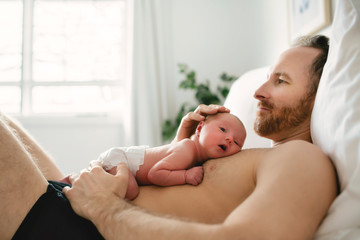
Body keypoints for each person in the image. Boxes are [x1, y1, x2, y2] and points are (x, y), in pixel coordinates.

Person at [0, 35, 337, 240]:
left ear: (320, 95)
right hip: (83, 205)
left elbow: (247, 237)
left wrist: (104, 208)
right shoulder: (250, 154)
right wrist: (182, 145)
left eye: (281, 81)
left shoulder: (303, 161)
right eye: (266, 78)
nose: (259, 92)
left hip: (90, 228)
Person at [60, 112, 246, 200]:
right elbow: (156, 174)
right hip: (122, 159)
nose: (229, 139)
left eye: (237, 142)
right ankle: (73, 181)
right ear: (199, 128)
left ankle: (76, 178)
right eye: (222, 130)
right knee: (131, 192)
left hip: (126, 158)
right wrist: (186, 176)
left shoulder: (194, 154)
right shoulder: (188, 149)